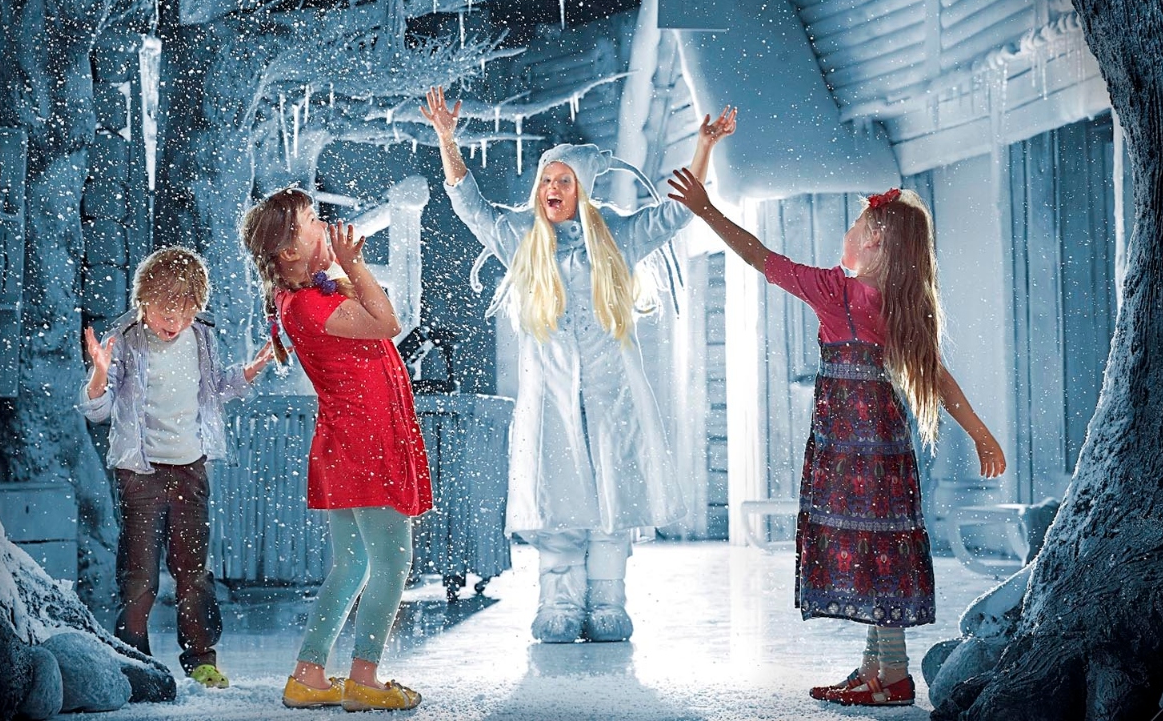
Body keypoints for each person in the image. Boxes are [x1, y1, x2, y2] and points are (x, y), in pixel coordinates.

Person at [667, 170, 1007, 707]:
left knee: (871, 552)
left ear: (874, 240)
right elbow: (938, 379)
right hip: (886, 447)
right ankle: (875, 669)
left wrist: (707, 211)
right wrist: (982, 435)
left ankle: (892, 676)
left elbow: (759, 257)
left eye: (856, 225)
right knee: (883, 548)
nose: (847, 233)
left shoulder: (838, 293)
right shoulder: (901, 302)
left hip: (849, 448)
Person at [420, 86, 736, 643]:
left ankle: (608, 599)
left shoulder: (615, 235)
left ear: (583, 189)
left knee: (613, 497)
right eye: (547, 179)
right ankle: (559, 601)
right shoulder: (521, 236)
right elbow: (470, 206)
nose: (552, 188)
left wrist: (703, 149)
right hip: (551, 397)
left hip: (612, 396)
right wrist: (448, 140)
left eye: (564, 180)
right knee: (558, 498)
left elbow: (674, 215)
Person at [241, 188, 432, 712]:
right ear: (288, 250)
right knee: (393, 562)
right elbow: (388, 324)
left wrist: (340, 269)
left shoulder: (309, 293)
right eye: (310, 220)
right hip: (365, 441)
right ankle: (365, 678)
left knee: (352, 564)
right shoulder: (307, 303)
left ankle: (308, 674)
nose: (323, 224)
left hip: (351, 439)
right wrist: (354, 265)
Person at [78, 246, 276, 689]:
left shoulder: (201, 335)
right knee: (139, 576)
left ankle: (202, 658)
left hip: (190, 468)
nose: (176, 323)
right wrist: (100, 373)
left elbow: (214, 388)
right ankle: (134, 660)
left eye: (186, 314)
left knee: (193, 572)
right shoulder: (125, 339)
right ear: (144, 301)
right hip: (140, 472)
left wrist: (250, 371)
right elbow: (98, 410)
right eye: (168, 314)